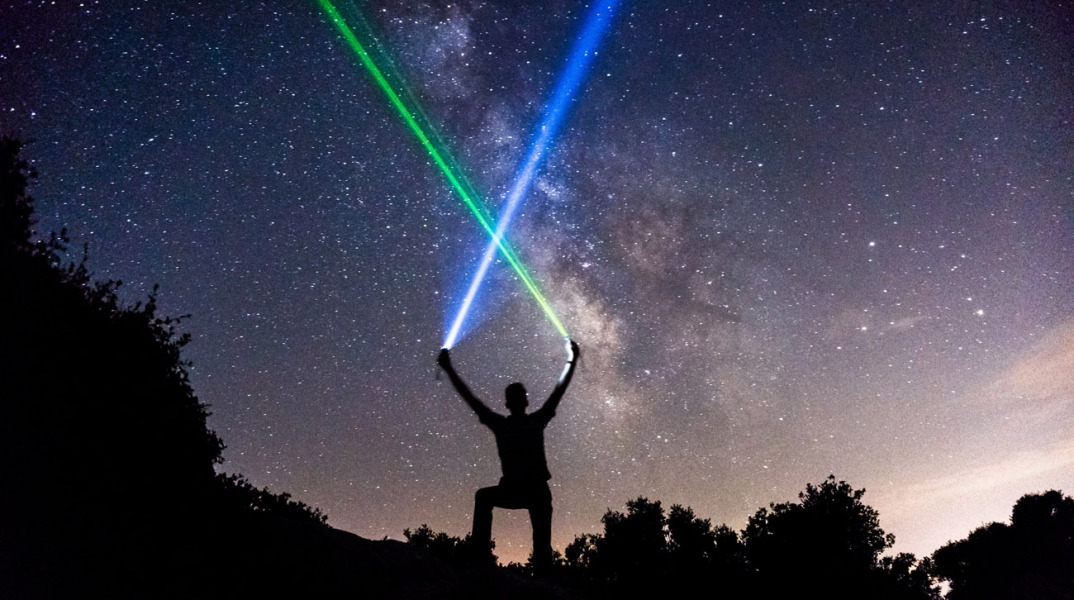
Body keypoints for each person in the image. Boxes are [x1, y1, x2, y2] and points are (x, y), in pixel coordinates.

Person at [437, 339, 580, 574]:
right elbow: (558, 390)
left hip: (532, 491)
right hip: (523, 490)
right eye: (516, 396)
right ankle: (481, 561)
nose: (517, 399)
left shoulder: (519, 423)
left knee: (541, 549)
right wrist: (571, 360)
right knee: (485, 499)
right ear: (521, 401)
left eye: (518, 395)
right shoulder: (524, 422)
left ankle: (482, 561)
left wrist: (572, 360)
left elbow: (558, 391)